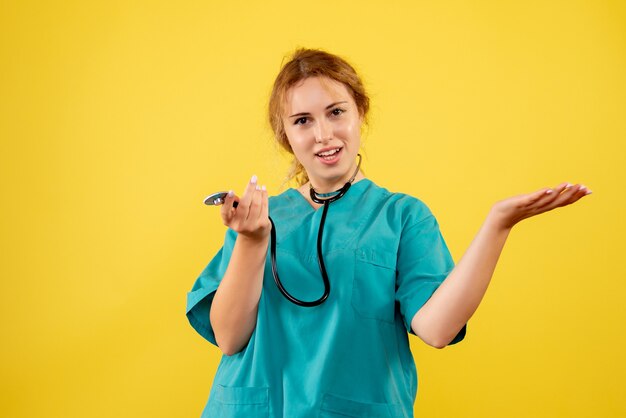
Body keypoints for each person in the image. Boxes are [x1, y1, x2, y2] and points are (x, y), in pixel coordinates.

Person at [186, 48, 590, 418]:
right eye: (303, 121)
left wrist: (498, 224)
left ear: (360, 111)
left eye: (336, 112)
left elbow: (437, 329)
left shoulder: (402, 217)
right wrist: (253, 241)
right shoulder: (258, 219)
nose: (323, 134)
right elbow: (229, 337)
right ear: (285, 135)